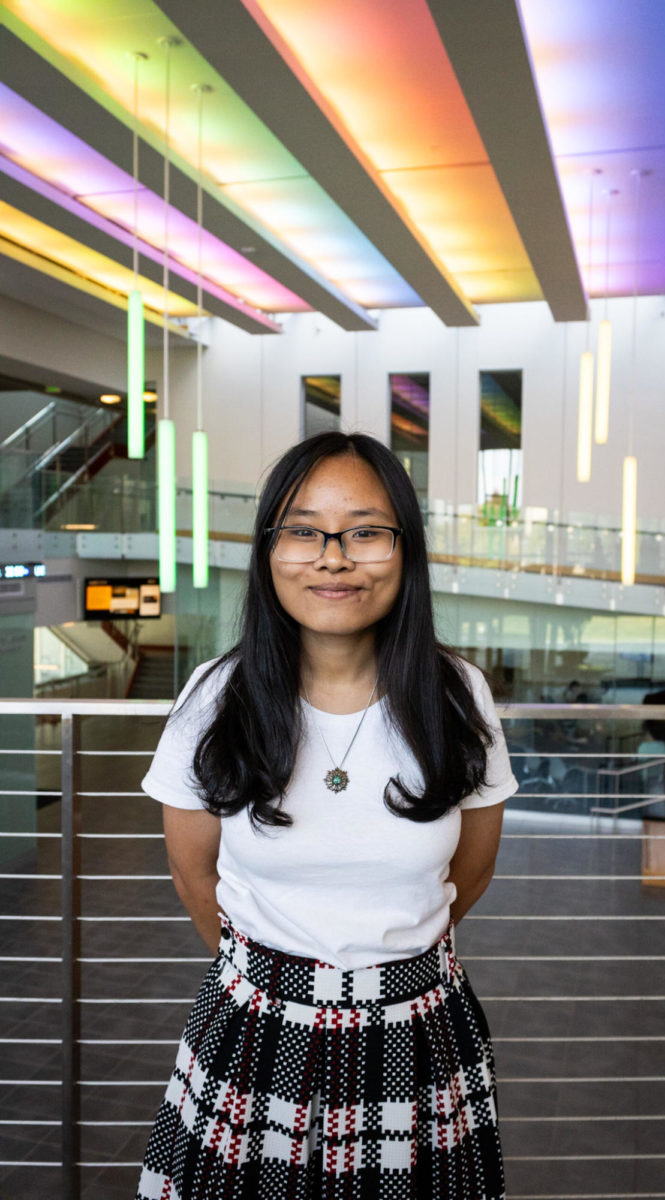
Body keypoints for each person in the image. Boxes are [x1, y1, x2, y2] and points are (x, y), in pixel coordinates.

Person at [135, 431, 518, 1200]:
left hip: (421, 1027)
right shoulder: (214, 697)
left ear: (404, 549)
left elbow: (468, 873)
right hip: (255, 1031)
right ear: (269, 550)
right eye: (303, 530)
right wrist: (287, 979)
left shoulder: (457, 694)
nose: (333, 557)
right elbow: (192, 873)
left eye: (366, 532)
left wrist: (383, 963)